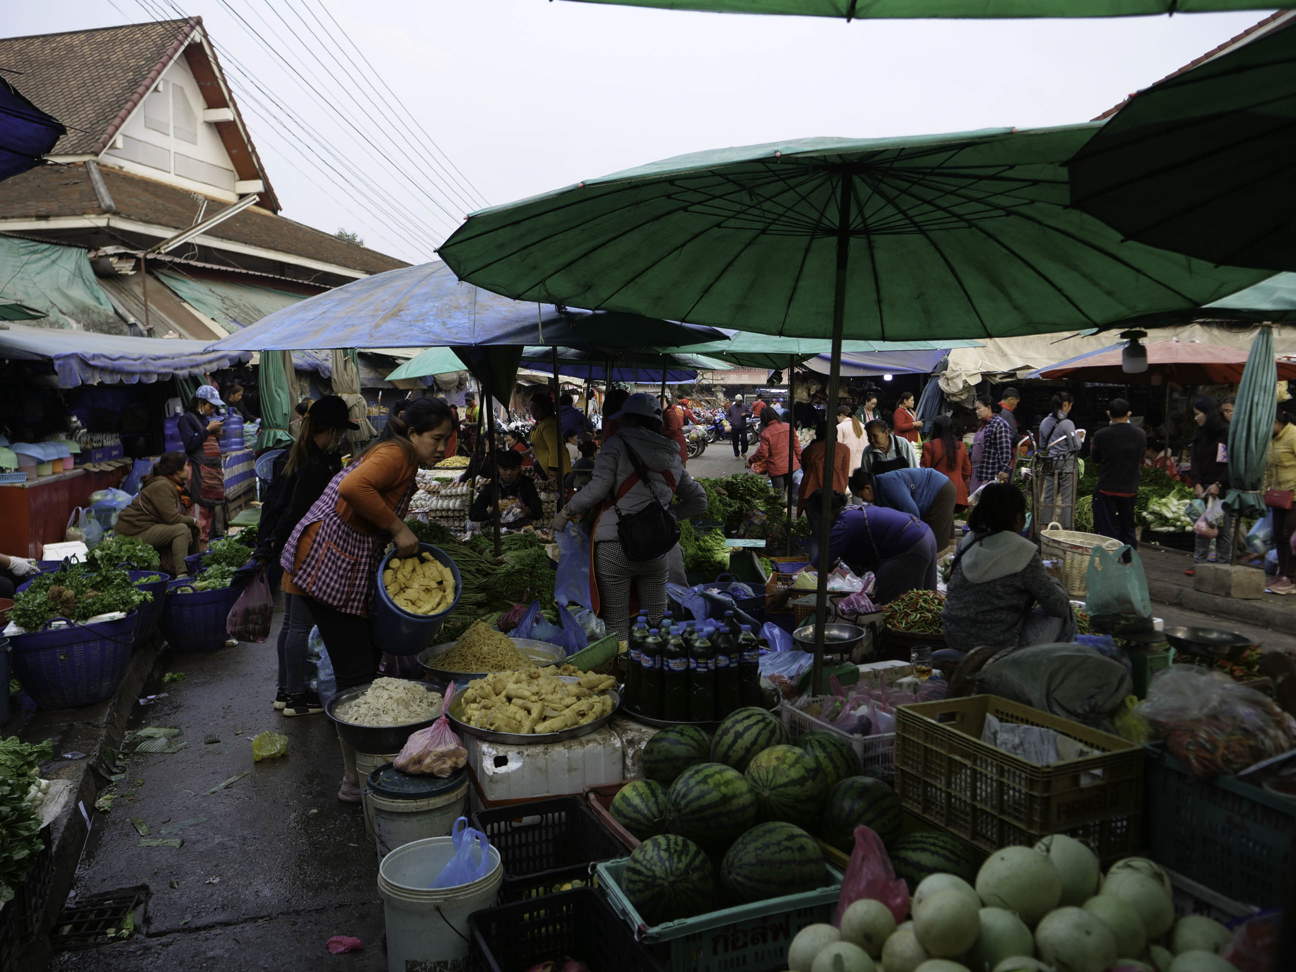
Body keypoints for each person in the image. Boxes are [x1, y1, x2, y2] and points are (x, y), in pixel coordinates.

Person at [280, 397, 454, 802]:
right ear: (413, 434)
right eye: (436, 439)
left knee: (360, 661)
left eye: (446, 440)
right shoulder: (396, 453)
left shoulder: (402, 453)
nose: (442, 449)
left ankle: (366, 767)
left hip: (342, 557)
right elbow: (353, 486)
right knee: (355, 671)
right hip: (329, 560)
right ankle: (356, 778)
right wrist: (397, 528)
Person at [555, 393, 706, 639]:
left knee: (616, 623)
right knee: (657, 622)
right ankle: (657, 668)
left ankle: (622, 670)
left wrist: (566, 512)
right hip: (657, 549)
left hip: (616, 544)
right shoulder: (672, 453)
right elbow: (699, 501)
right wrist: (667, 516)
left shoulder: (616, 444)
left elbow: (598, 488)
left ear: (628, 419)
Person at [255, 396, 356, 716]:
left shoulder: (295, 456)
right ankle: (297, 698)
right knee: (299, 624)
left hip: (289, 546)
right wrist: (281, 545)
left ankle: (285, 692)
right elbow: (298, 509)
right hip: (303, 547)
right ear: (325, 430)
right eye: (338, 433)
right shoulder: (315, 464)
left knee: (290, 624)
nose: (340, 439)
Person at [941, 482, 1073, 655]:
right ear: (1018, 518)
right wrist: (1055, 580)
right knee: (1064, 614)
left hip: (954, 637)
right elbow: (1058, 607)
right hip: (998, 646)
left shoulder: (968, 541)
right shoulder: (1023, 551)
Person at [820, 491, 939, 603]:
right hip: (926, 534)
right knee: (927, 598)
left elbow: (821, 562)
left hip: (911, 542)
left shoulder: (844, 522)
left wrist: (809, 570)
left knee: (892, 602)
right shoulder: (853, 511)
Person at [113, 453, 199, 578]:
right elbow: (172, 518)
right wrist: (194, 520)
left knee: (189, 528)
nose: (188, 468)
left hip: (146, 527)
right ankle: (182, 575)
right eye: (186, 465)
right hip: (133, 533)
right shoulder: (162, 486)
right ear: (177, 471)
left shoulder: (170, 484)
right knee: (181, 530)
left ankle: (194, 567)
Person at [851, 466, 957, 553]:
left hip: (940, 491)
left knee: (934, 545)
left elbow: (913, 514)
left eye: (861, 496)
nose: (863, 500)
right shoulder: (878, 490)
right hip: (939, 490)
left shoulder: (888, 484)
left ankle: (940, 574)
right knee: (943, 541)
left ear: (867, 488)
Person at [1089, 398, 1146, 548]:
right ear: (1129, 414)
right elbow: (1141, 457)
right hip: (1129, 487)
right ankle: (1128, 558)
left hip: (1107, 486)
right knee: (1127, 525)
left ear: (1108, 413)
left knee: (1107, 526)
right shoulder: (1140, 434)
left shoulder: (1101, 435)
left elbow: (1095, 459)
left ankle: (1109, 556)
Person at [178, 386, 227, 542]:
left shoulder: (206, 419)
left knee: (214, 507)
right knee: (201, 507)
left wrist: (216, 433)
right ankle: (200, 542)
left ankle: (213, 539)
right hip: (200, 471)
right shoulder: (186, 419)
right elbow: (190, 445)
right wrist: (207, 429)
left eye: (214, 407)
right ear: (200, 402)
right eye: (210, 406)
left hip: (214, 471)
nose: (212, 410)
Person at [1188, 397, 1232, 572]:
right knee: (1202, 527)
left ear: (1208, 414)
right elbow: (1195, 460)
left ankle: (1222, 566)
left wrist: (1219, 484)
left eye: (1198, 414)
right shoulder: (1200, 434)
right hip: (1204, 488)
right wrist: (1197, 483)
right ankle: (1200, 565)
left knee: (1222, 528)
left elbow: (1230, 463)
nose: (1196, 418)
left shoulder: (1226, 433)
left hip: (1221, 489)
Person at [1037, 392, 1084, 529]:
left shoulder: (1044, 422)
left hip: (1050, 462)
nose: (1070, 408)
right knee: (1066, 498)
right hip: (1066, 464)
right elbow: (1076, 446)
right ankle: (1066, 527)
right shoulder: (1067, 424)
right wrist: (1079, 436)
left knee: (1048, 496)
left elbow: (1042, 444)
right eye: (1069, 405)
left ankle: (1044, 525)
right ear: (1065, 405)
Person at [1264, 402, 1296, 595]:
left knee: (1288, 535)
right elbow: (1269, 468)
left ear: (1278, 422)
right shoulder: (1272, 439)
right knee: (1278, 535)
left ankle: (1291, 577)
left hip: (1294, 496)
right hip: (1278, 496)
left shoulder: (1293, 435)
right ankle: (1283, 573)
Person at [471, 450, 544, 528]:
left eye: (513, 469)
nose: (509, 473)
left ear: (519, 468)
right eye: (505, 469)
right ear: (499, 468)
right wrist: (491, 510)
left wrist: (526, 510)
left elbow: (538, 512)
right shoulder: (492, 486)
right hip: (497, 530)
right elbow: (474, 514)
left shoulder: (527, 484)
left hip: (523, 529)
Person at [797, 421, 851, 516]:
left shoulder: (810, 449)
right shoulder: (844, 449)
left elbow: (805, 467)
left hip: (811, 491)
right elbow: (845, 473)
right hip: (835, 491)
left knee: (815, 524)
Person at [748, 405, 801, 498]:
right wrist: (801, 461)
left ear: (764, 419)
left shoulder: (766, 433)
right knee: (791, 496)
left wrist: (751, 460)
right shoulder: (789, 427)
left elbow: (762, 453)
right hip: (792, 467)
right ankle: (788, 511)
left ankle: (782, 511)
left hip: (777, 469)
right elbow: (797, 448)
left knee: (779, 497)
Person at [920, 414, 972, 508]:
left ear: (935, 428)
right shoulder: (961, 446)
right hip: (957, 492)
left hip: (937, 490)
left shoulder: (930, 445)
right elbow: (967, 471)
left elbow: (924, 471)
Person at [969, 396, 1014, 497]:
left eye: (979, 408)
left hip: (989, 474)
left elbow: (1005, 451)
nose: (976, 412)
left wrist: (1004, 471)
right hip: (978, 473)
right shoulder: (983, 425)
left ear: (989, 408)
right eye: (975, 409)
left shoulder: (999, 424)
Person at [529, 392, 563, 482]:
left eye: (535, 409)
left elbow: (555, 449)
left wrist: (553, 471)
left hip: (551, 470)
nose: (532, 412)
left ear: (544, 408)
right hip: (542, 467)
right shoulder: (541, 423)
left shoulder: (548, 424)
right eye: (531, 409)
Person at [836, 405, 869, 476]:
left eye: (837, 417)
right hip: (862, 466)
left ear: (841, 415)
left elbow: (838, 448)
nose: (837, 419)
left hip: (849, 467)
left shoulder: (840, 427)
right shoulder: (862, 426)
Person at [659, 394, 689, 463]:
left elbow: (673, 429)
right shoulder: (668, 411)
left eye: (662, 402)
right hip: (674, 442)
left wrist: (661, 434)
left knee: (677, 468)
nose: (660, 404)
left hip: (676, 443)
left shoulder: (670, 413)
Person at [727, 394, 752, 458]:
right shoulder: (731, 407)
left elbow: (750, 414)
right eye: (738, 401)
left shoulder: (744, 406)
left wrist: (746, 414)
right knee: (735, 441)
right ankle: (736, 453)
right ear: (736, 400)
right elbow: (728, 416)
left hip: (743, 426)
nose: (739, 402)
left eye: (740, 401)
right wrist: (731, 421)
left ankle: (743, 452)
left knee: (744, 440)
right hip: (734, 427)